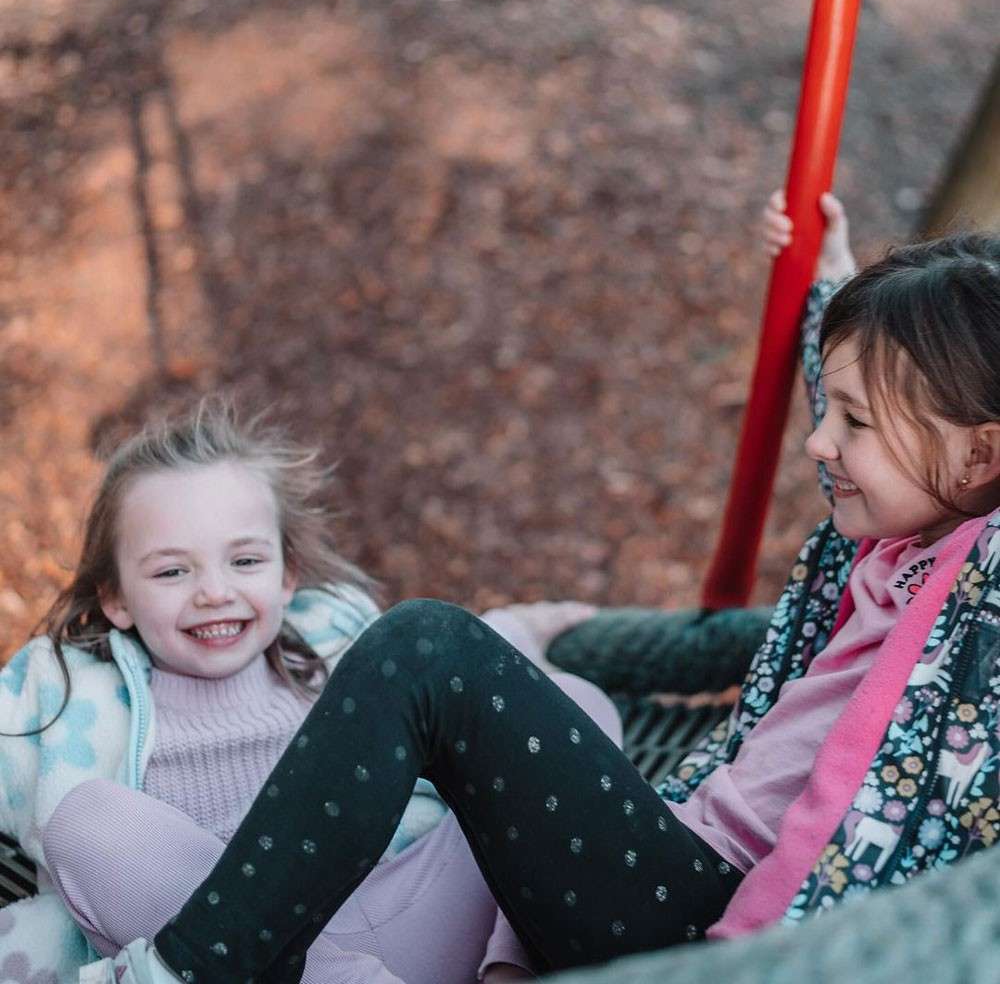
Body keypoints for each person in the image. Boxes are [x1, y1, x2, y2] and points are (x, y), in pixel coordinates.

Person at [86, 195, 1000, 984]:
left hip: (720, 936)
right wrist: (831, 280)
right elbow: (885, 415)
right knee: (480, 675)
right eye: (832, 412)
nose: (821, 442)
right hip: (671, 861)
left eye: (856, 422)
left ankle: (190, 966)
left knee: (426, 650)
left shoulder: (979, 600)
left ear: (982, 455)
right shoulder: (889, 546)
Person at [0, 402, 618, 983]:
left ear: (288, 573)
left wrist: (531, 625)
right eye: (172, 571)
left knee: (573, 707)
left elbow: (460, 674)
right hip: (253, 950)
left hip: (427, 903)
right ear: (115, 598)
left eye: (244, 562)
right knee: (87, 820)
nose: (214, 592)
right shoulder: (71, 695)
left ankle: (515, 968)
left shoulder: (336, 645)